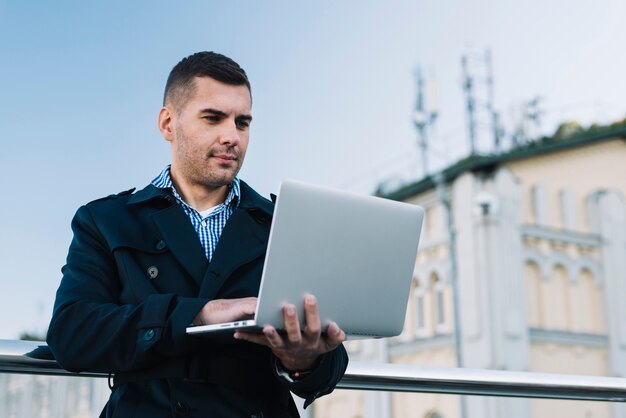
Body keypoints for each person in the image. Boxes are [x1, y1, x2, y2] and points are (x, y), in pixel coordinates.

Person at [47, 51, 348, 418]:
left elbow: (329, 363)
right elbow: (72, 334)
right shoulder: (106, 220)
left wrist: (305, 361)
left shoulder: (286, 223)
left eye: (243, 122)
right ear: (168, 123)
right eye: (213, 118)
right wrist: (200, 315)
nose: (231, 136)